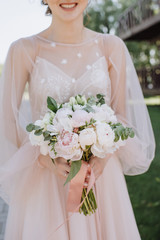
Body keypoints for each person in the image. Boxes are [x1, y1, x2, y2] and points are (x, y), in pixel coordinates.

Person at [0, 0, 155, 239]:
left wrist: (103, 158)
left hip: (101, 178)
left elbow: (121, 115)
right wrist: (44, 158)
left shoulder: (111, 46)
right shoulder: (24, 49)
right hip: (47, 182)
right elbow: (7, 120)